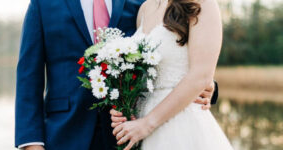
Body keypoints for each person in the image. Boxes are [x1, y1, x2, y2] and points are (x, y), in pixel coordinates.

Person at [15, 0, 218, 149]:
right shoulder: (43, 4)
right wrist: (31, 144)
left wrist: (208, 86)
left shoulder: (139, 4)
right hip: (64, 135)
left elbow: (160, 55)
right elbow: (28, 79)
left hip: (126, 135)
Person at [110, 0, 233, 150]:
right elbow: (142, 74)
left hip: (179, 123)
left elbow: (201, 75)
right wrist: (125, 108)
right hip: (140, 126)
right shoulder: (145, 8)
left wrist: (147, 124)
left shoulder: (202, 3)